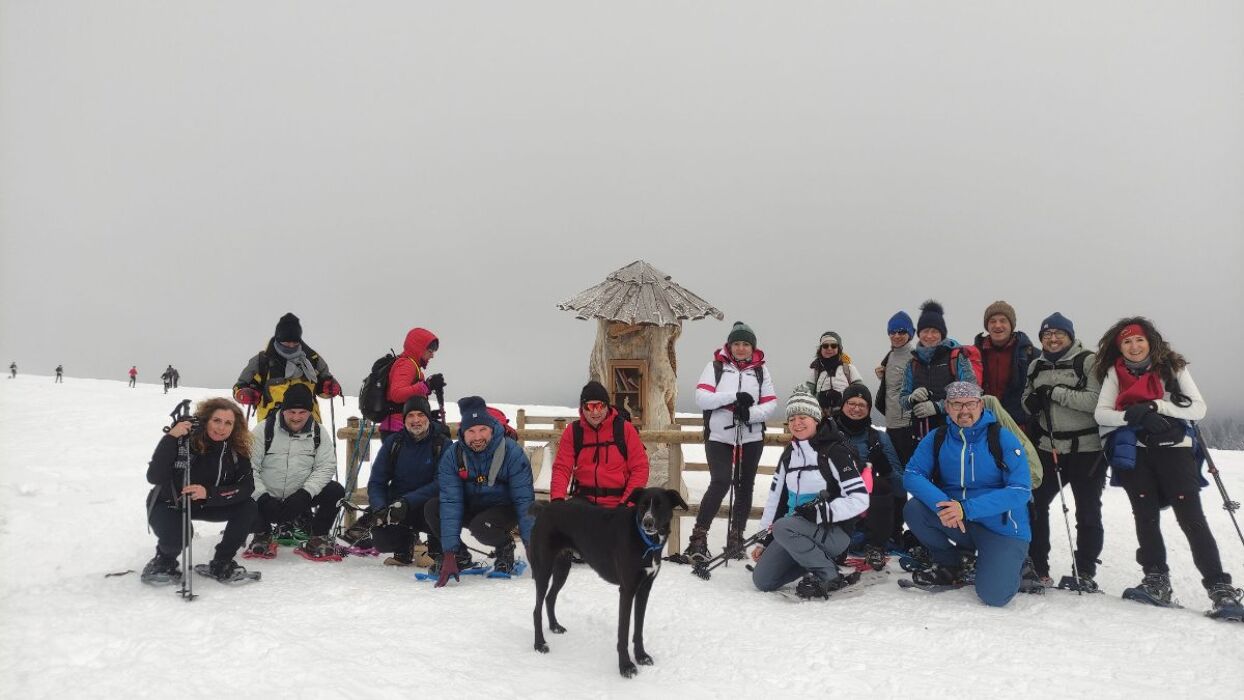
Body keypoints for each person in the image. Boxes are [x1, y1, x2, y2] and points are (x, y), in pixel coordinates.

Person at [1093, 317, 1241, 615]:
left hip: (1175, 451)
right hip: (1137, 453)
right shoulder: (1114, 372)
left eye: (1139, 340)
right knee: (1145, 516)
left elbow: (1198, 407)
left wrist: (1155, 407)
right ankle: (1156, 578)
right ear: (1119, 346)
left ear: (1150, 341)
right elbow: (1101, 414)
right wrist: (1135, 417)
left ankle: (1219, 587)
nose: (1134, 346)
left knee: (1192, 518)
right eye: (1127, 341)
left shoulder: (1172, 367)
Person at [903, 381, 1031, 607]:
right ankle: (951, 562)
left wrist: (966, 509)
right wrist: (945, 505)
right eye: (956, 404)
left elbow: (1020, 491)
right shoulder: (937, 437)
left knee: (995, 596)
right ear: (947, 407)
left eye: (970, 404)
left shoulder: (1002, 438)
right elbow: (912, 474)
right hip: (958, 520)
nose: (964, 410)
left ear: (980, 404)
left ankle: (1015, 563)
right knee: (914, 509)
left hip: (1000, 527)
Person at [751, 389, 869, 599]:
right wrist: (763, 540)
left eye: (803, 417)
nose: (797, 423)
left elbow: (860, 499)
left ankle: (829, 575)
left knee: (783, 526)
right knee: (763, 580)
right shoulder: (789, 455)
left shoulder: (834, 451)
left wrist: (822, 512)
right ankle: (813, 563)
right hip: (794, 531)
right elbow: (774, 500)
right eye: (792, 418)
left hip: (833, 534)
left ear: (816, 419)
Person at [1021, 312, 1105, 589]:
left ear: (1070, 336)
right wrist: (1032, 402)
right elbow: (1026, 399)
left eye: (1059, 334)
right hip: (1049, 446)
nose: (1053, 339)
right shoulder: (1035, 365)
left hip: (1087, 449)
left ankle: (1084, 572)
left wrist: (1054, 392)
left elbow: (1095, 401)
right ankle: (1037, 565)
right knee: (1035, 504)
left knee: (1087, 510)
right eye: (1047, 335)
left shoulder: (1088, 361)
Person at [142, 397, 259, 584]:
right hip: (171, 502)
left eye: (228, 423)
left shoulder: (237, 450)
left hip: (207, 502)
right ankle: (163, 561)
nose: (221, 428)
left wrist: (210, 494)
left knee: (248, 507)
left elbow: (246, 488)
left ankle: (222, 562)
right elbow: (154, 477)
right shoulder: (183, 440)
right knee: (181, 533)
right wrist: (171, 437)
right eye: (217, 421)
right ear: (206, 419)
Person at [691, 321, 778, 560]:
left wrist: (750, 414)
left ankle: (736, 537)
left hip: (750, 436)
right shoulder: (716, 366)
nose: (741, 348)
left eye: (746, 344)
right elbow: (702, 397)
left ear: (753, 347)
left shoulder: (761, 371)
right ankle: (699, 537)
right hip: (719, 435)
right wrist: (733, 397)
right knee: (721, 481)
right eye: (736, 343)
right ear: (729, 345)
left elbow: (770, 403)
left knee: (744, 484)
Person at [426, 396, 535, 586]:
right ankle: (459, 556)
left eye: (483, 429)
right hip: (472, 506)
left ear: (491, 429)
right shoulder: (453, 456)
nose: (478, 437)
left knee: (481, 526)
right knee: (433, 507)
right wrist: (449, 552)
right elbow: (451, 502)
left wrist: (530, 545)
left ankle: (505, 549)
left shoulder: (512, 453)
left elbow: (524, 501)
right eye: (471, 431)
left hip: (503, 510)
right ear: (463, 432)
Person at [244, 383, 344, 561]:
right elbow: (249, 468)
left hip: (300, 496)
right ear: (283, 410)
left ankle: (318, 536)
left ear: (310, 412)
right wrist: (263, 497)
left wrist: (305, 494)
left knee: (335, 491)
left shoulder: (319, 432)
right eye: (291, 411)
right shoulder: (263, 429)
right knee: (244, 492)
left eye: (302, 412)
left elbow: (326, 466)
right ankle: (262, 534)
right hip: (268, 494)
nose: (296, 417)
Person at [366, 395, 449, 567]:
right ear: (404, 420)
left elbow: (442, 483)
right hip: (399, 507)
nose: (416, 420)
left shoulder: (442, 444)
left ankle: (436, 551)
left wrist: (407, 502)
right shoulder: (394, 443)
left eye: (421, 415)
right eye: (410, 415)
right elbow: (377, 481)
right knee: (382, 540)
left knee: (441, 506)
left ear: (428, 417)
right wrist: (380, 507)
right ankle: (403, 549)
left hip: (430, 506)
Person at [834, 384, 904, 567]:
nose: (856, 408)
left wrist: (885, 468)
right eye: (851, 403)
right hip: (833, 494)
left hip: (865, 499)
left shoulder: (879, 438)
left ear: (868, 409)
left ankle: (877, 545)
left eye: (862, 405)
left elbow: (898, 479)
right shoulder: (827, 432)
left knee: (882, 485)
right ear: (842, 405)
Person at [550, 381, 650, 508]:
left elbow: (640, 468)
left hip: (618, 502)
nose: (595, 412)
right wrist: (557, 499)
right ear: (582, 408)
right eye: (590, 407)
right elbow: (562, 467)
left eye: (600, 406)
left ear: (607, 406)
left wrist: (626, 504)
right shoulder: (573, 431)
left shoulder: (625, 429)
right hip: (583, 501)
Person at [233, 312, 341, 422]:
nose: (291, 346)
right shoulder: (262, 361)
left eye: (295, 343)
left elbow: (325, 383)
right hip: (271, 428)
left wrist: (329, 388)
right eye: (286, 343)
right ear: (278, 340)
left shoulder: (313, 359)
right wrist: (243, 393)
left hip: (310, 425)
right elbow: (240, 386)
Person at [900, 300, 976, 438]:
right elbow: (903, 400)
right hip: (921, 435)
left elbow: (971, 395)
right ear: (919, 333)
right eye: (925, 331)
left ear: (942, 334)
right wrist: (912, 398)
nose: (929, 336)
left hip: (955, 434)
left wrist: (938, 407)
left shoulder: (957, 358)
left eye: (934, 331)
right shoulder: (912, 363)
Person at [975, 301, 1039, 429]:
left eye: (1003, 320)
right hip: (983, 425)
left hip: (1020, 426)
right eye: (992, 321)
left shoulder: (1031, 355)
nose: (998, 325)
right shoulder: (975, 354)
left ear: (1011, 325)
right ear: (987, 326)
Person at [380, 328, 444, 440]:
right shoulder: (407, 364)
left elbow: (411, 397)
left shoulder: (412, 365)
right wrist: (426, 386)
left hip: (402, 428)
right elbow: (396, 393)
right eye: (430, 351)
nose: (432, 356)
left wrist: (426, 414)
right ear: (419, 349)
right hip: (398, 430)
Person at [875, 311, 917, 462]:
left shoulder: (914, 357)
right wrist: (883, 377)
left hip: (907, 424)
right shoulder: (890, 356)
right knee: (895, 467)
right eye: (892, 332)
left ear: (910, 334)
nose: (897, 336)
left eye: (902, 331)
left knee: (908, 467)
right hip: (891, 422)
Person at [805, 331, 864, 416]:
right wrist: (820, 397)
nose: (829, 348)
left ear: (839, 348)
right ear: (820, 349)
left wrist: (842, 397)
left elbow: (861, 392)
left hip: (845, 415)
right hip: (821, 416)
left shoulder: (848, 368)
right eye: (825, 346)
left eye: (833, 346)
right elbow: (807, 396)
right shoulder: (815, 370)